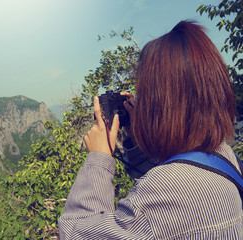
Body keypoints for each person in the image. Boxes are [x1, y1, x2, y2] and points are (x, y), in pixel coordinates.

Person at [58, 21, 243, 239]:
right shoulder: (224, 155)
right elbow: (177, 173)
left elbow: (73, 231)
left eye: (144, 92)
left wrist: (99, 159)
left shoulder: (166, 189)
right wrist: (139, 138)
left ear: (159, 102)